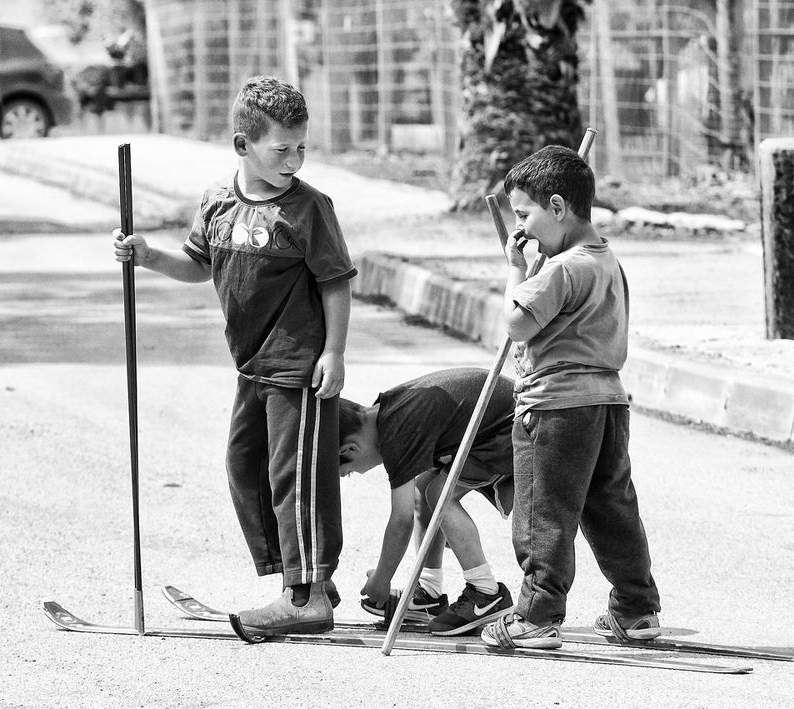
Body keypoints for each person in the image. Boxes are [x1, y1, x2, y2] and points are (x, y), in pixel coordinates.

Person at [113, 76, 355, 635]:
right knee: (245, 467)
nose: (294, 160)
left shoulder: (310, 208)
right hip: (250, 364)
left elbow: (336, 283)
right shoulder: (217, 202)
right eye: (282, 148)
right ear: (243, 145)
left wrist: (334, 352)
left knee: (296, 478)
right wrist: (147, 256)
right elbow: (199, 264)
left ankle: (305, 596)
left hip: (298, 365)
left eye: (301, 147)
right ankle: (305, 577)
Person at [480, 145, 661, 650]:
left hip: (555, 406)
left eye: (524, 215)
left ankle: (536, 614)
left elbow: (517, 323)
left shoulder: (561, 269)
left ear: (557, 207)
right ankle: (637, 608)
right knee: (612, 507)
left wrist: (516, 269)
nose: (521, 228)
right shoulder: (606, 261)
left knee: (543, 511)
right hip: (607, 403)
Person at [338, 367, 517, 636]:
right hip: (494, 425)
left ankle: (486, 592)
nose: (355, 473)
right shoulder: (386, 414)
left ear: (350, 449)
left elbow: (401, 519)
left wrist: (382, 578)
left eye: (349, 471)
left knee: (440, 494)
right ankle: (430, 592)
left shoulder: (396, 433)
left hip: (511, 428)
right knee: (423, 488)